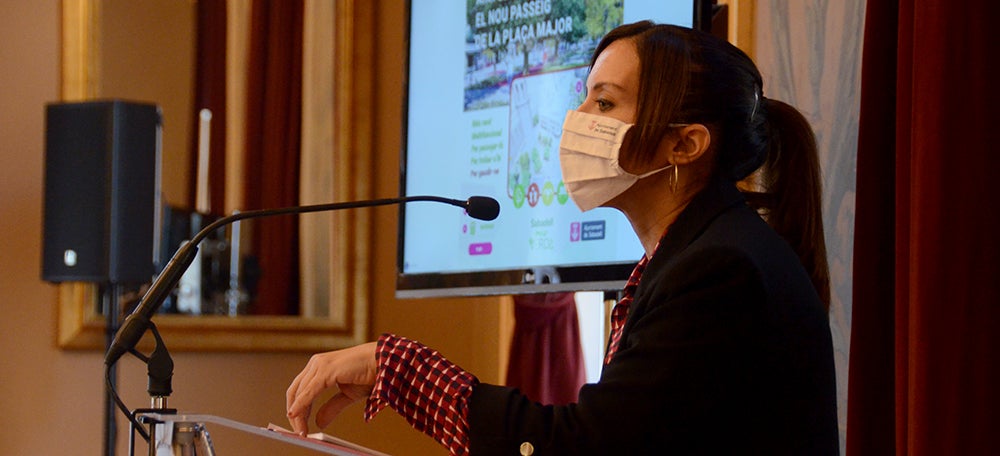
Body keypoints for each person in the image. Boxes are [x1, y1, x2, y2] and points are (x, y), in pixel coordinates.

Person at [286, 21, 839, 455]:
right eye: (585, 98)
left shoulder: (720, 270)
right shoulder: (700, 253)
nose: (575, 119)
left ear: (685, 144)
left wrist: (401, 369)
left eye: (603, 102)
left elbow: (582, 448)